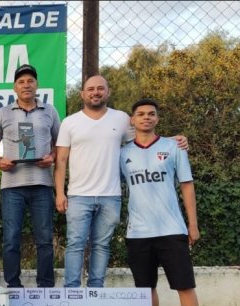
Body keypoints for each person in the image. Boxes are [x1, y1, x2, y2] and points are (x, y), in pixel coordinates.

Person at [54, 75, 186, 288]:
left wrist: (172, 141)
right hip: (78, 195)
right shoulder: (70, 122)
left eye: (100, 88)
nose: (95, 92)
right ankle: (72, 293)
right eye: (90, 89)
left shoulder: (121, 118)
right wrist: (60, 193)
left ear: (108, 92)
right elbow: (60, 160)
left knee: (101, 245)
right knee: (75, 245)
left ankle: (96, 291)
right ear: (83, 94)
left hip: (111, 196)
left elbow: (144, 138)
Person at [121, 98, 205, 306]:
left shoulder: (173, 146)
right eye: (141, 114)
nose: (146, 117)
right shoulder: (122, 153)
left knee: (184, 286)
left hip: (171, 229)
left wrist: (192, 224)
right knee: (146, 288)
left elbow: (187, 185)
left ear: (157, 119)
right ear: (132, 121)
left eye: (151, 114)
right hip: (138, 232)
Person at [0, 64, 59, 288]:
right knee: (11, 239)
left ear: (37, 85)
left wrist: (52, 157)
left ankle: (46, 286)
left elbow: (60, 145)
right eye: (21, 81)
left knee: (45, 239)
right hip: (12, 185)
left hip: (42, 184)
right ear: (14, 87)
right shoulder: (3, 113)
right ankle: (13, 286)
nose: (26, 85)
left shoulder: (50, 111)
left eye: (30, 81)